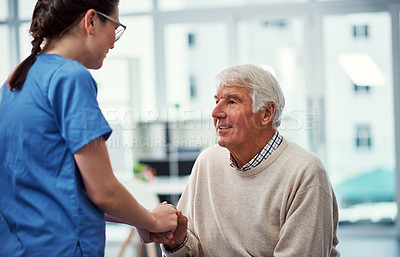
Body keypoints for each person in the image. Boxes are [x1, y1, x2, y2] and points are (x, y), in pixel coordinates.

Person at [0, 1, 177, 256]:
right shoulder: (70, 77)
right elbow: (103, 192)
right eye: (115, 28)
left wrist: (141, 218)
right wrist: (154, 221)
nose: (114, 42)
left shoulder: (15, 81)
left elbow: (65, 194)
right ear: (91, 20)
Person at [156, 64, 340, 256]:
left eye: (232, 102)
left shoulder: (306, 172)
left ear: (266, 113)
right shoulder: (207, 162)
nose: (215, 112)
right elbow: (192, 248)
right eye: (217, 101)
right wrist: (177, 243)